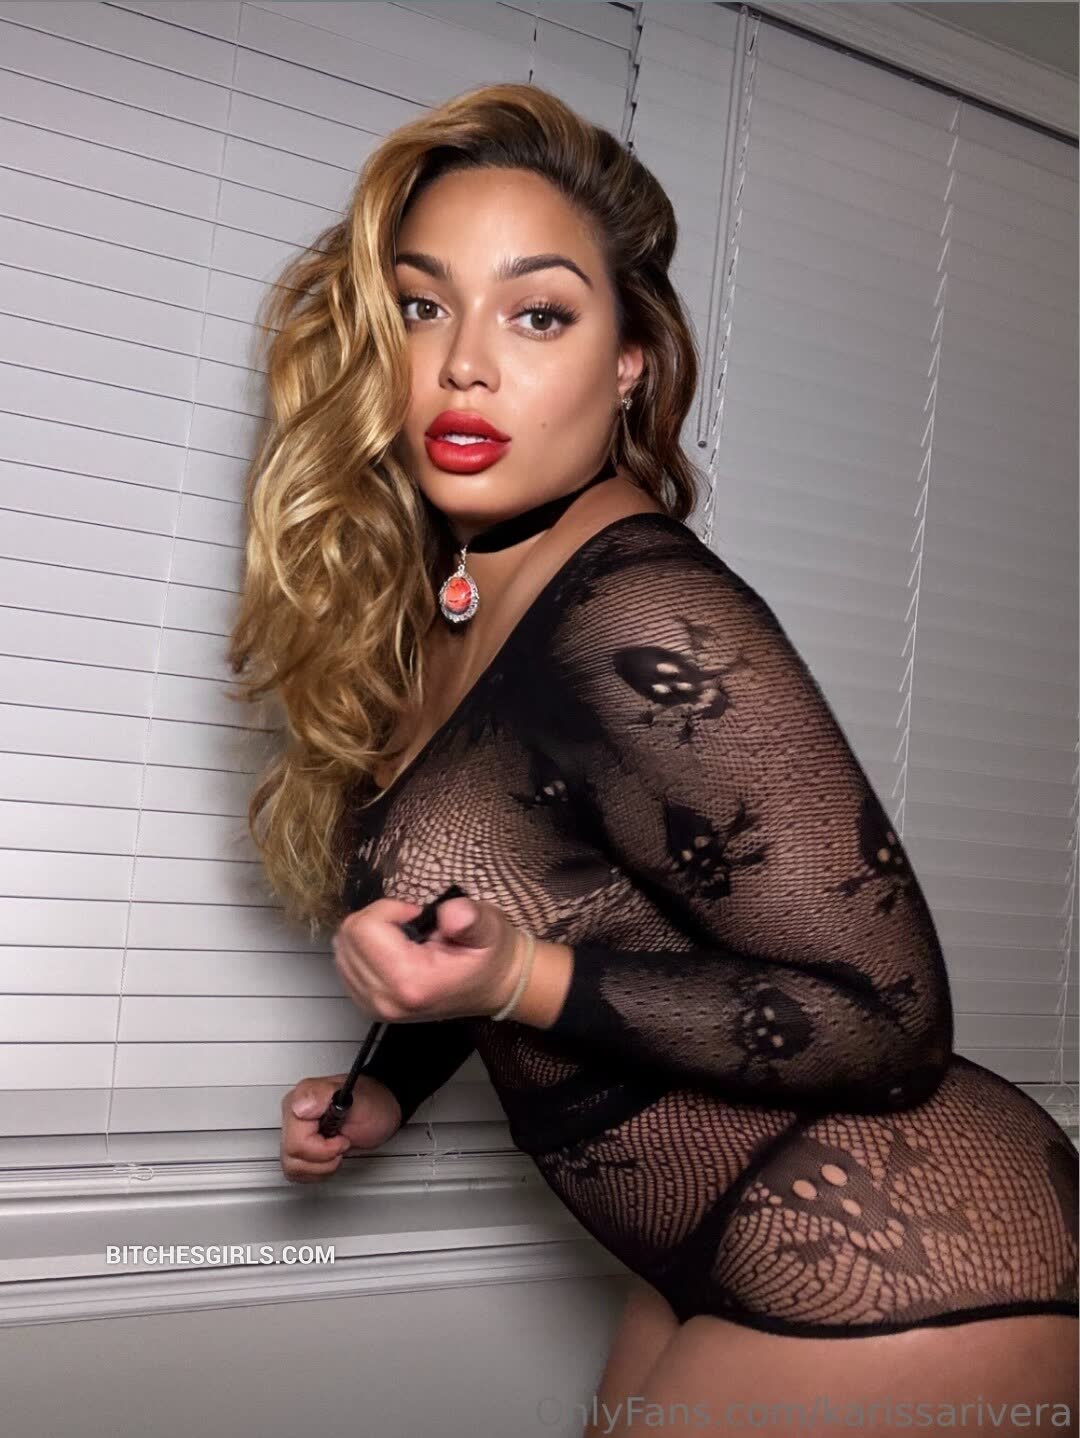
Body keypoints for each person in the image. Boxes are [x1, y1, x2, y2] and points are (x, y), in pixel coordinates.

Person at [230, 83, 1079, 1435]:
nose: (462, 366)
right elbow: (522, 904)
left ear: (628, 359)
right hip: (707, 1240)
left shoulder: (639, 614)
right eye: (421, 305)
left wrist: (516, 978)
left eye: (539, 314)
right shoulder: (461, 594)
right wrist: (390, 1081)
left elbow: (890, 1017)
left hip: (900, 1242)